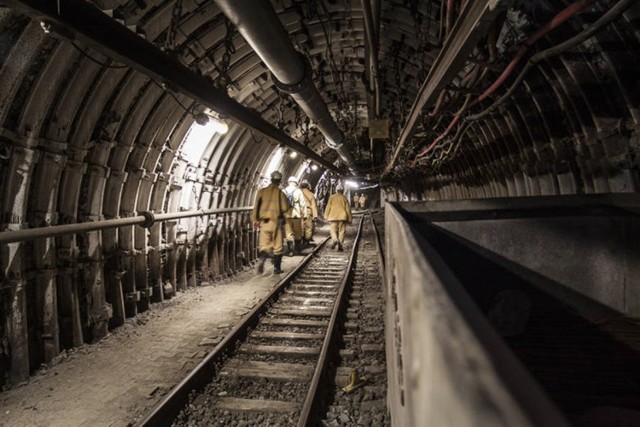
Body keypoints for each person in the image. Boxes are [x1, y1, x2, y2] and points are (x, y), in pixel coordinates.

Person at [251, 170, 289, 274]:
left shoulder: (262, 191)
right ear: (279, 181)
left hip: (264, 222)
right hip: (276, 223)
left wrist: (255, 220)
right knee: (277, 246)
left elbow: (256, 208)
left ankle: (262, 260)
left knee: (264, 245)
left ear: (271, 179)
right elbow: (285, 208)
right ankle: (277, 268)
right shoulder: (280, 193)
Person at [323, 183, 352, 251]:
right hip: (342, 217)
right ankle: (340, 244)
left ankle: (335, 240)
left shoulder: (332, 197)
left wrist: (326, 215)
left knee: (333, 230)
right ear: (342, 190)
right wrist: (350, 218)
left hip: (333, 216)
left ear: (336, 190)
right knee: (342, 231)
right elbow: (348, 209)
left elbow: (328, 207)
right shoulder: (344, 198)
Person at [283, 176, 307, 256]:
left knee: (288, 233)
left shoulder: (283, 191)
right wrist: (305, 215)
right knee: (298, 232)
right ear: (295, 183)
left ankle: (291, 251)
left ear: (289, 182)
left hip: (286, 215)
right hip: (296, 214)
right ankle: (297, 249)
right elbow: (303, 204)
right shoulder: (298, 191)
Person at [300, 179, 318, 248]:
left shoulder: (298, 192)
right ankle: (306, 242)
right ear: (308, 186)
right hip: (308, 211)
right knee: (308, 227)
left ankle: (299, 242)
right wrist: (315, 215)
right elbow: (313, 205)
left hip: (300, 211)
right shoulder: (310, 194)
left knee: (300, 227)